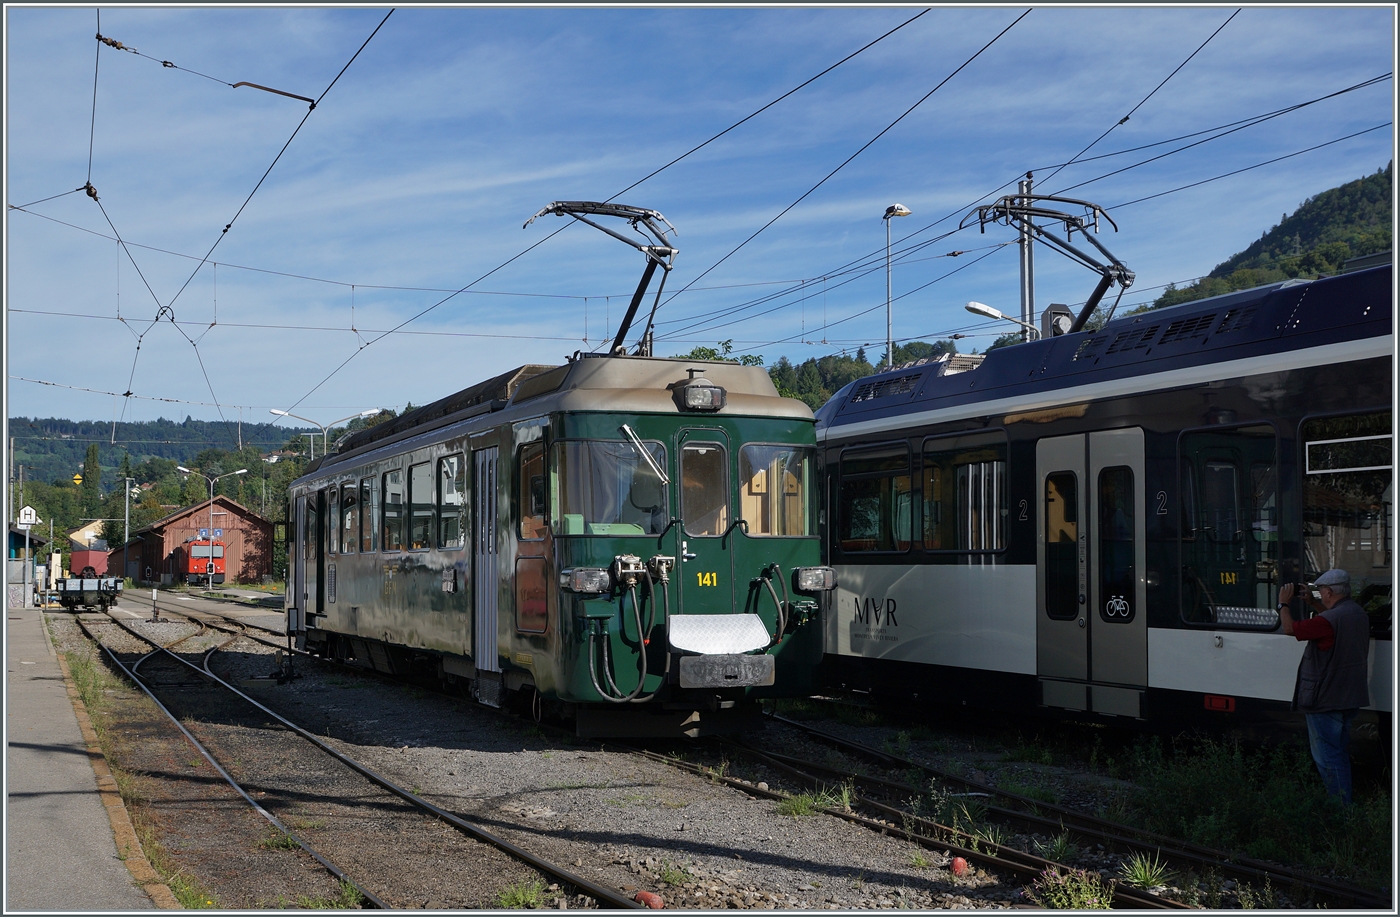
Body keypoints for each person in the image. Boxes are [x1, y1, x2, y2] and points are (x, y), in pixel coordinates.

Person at [1277, 569, 1371, 805]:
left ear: (1329, 591)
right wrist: (1312, 602)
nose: (1320, 594)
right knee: (1338, 752)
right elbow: (1330, 623)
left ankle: (1341, 811)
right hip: (1349, 696)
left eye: (1320, 591)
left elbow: (1289, 629)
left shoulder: (1328, 621)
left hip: (1326, 699)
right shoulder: (1357, 613)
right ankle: (1344, 806)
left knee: (1328, 758)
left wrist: (1283, 604)